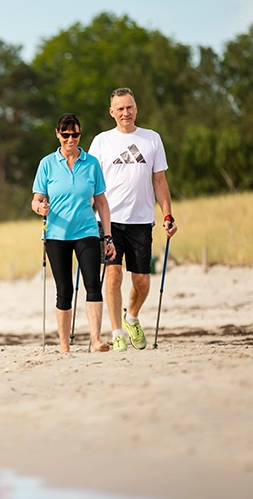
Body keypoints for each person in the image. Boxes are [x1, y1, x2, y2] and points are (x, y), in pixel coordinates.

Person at [88, 88, 178, 352]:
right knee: (113, 275)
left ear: (136, 109)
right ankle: (116, 332)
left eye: (129, 107)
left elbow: (159, 181)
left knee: (142, 281)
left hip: (141, 221)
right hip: (109, 221)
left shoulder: (152, 139)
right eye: (120, 109)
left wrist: (168, 215)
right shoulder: (102, 142)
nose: (125, 113)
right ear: (111, 112)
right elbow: (91, 183)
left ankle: (132, 318)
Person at [31, 113, 115, 354]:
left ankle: (96, 340)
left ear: (80, 134)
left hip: (87, 231)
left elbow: (102, 203)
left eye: (75, 134)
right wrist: (40, 207)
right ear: (57, 134)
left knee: (92, 285)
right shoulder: (47, 163)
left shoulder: (91, 163)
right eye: (65, 134)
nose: (70, 139)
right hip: (56, 234)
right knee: (64, 289)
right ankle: (64, 345)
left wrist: (107, 236)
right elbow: (36, 200)